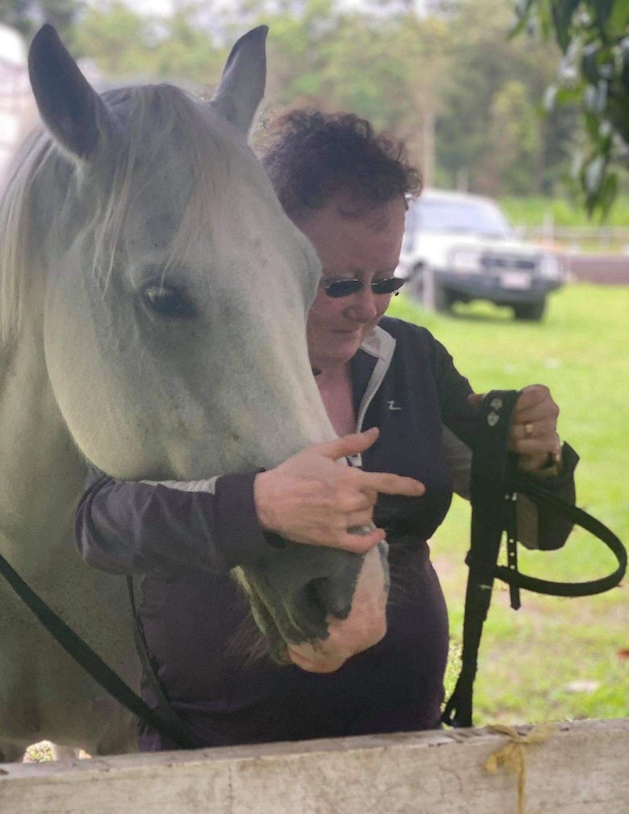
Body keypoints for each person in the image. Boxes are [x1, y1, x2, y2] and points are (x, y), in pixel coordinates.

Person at [74, 110, 577, 750]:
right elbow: (100, 524)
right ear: (269, 251)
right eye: (338, 283)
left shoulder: (412, 360)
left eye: (386, 281)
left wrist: (537, 460)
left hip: (401, 742)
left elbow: (539, 531)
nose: (366, 307)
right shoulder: (188, 360)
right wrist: (255, 507)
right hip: (211, 752)